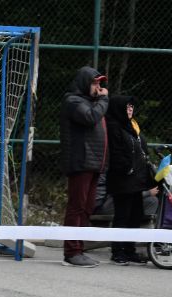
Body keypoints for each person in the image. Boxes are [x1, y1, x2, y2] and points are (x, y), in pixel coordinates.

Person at [58, 66, 109, 267]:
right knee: (77, 206)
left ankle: (79, 249)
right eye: (95, 83)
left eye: (100, 83)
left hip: (94, 163)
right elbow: (90, 118)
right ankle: (71, 252)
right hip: (80, 162)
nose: (98, 87)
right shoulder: (73, 101)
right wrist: (104, 99)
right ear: (85, 83)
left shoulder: (92, 103)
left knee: (87, 208)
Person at [105, 95, 155, 264]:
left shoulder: (132, 126)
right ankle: (117, 251)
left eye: (132, 106)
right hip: (123, 180)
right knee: (122, 216)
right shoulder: (114, 126)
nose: (130, 109)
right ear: (119, 108)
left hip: (136, 181)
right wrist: (127, 168)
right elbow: (116, 153)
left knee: (135, 215)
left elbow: (140, 151)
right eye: (127, 106)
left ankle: (129, 249)